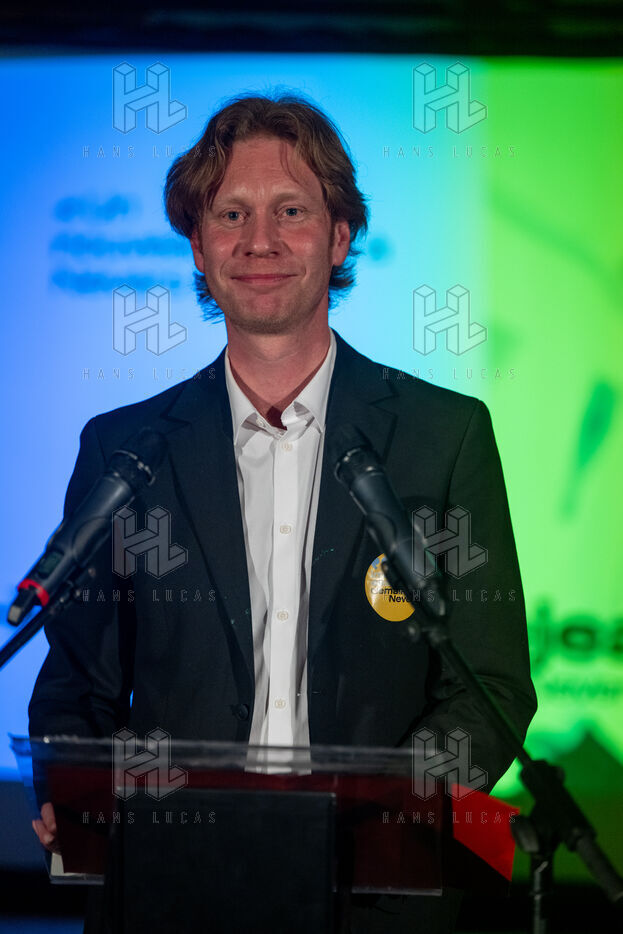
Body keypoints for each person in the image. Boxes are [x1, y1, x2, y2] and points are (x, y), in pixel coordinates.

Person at [29, 92, 537, 932]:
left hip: (374, 895)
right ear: (198, 246)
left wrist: (389, 810)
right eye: (230, 214)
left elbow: (488, 686)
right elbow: (77, 683)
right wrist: (74, 786)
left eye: (290, 211)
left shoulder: (442, 436)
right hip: (168, 888)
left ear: (338, 237)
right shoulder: (124, 449)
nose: (258, 240)